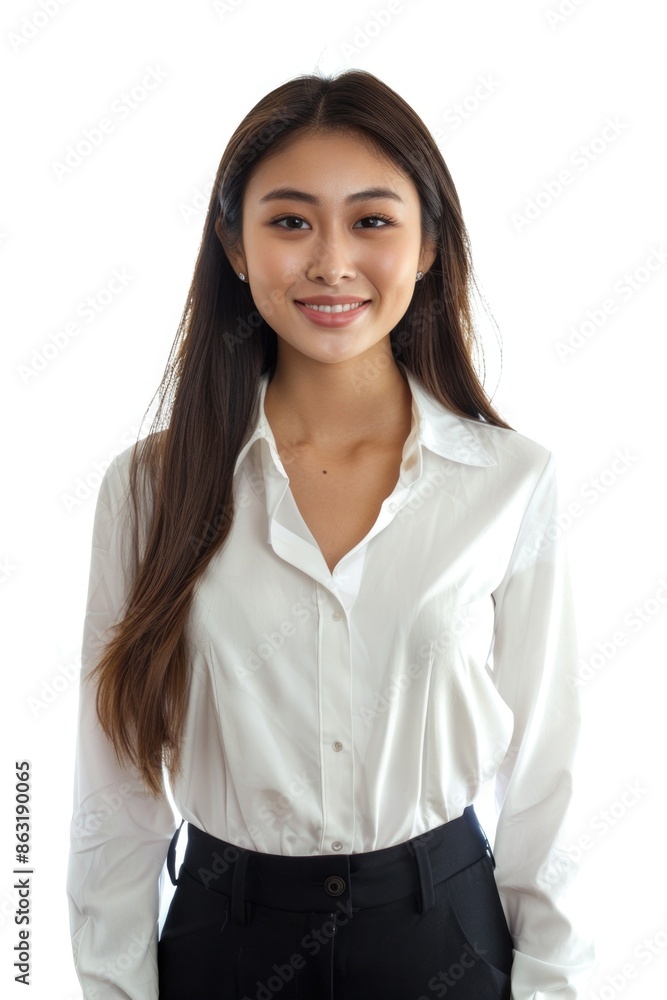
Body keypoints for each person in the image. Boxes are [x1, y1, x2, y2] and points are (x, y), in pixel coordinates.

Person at [66, 69, 595, 999]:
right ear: (233, 244)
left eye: (373, 221)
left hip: (445, 936)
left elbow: (548, 769)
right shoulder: (151, 489)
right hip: (223, 942)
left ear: (428, 244)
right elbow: (113, 789)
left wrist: (551, 984)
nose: (331, 261)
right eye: (290, 220)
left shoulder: (510, 482)